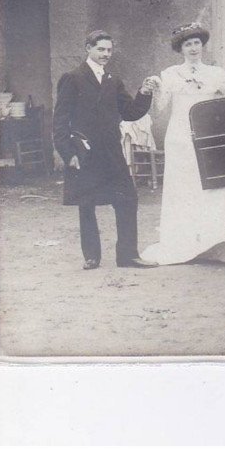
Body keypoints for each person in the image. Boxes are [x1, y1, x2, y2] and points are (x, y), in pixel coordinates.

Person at [140, 24, 225, 265]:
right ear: (180, 49)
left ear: (202, 45)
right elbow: (160, 109)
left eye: (196, 43)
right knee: (185, 190)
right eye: (188, 44)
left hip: (207, 136)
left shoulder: (215, 73)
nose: (193, 48)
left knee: (214, 186)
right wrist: (153, 88)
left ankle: (217, 243)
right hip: (180, 138)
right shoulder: (171, 74)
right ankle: (187, 242)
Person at [52, 30, 158, 270]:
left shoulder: (113, 80)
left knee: (127, 199)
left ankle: (128, 255)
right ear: (88, 48)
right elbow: (60, 121)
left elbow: (130, 112)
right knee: (86, 203)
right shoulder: (72, 77)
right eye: (101, 49)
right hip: (85, 151)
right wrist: (69, 154)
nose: (105, 54)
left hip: (111, 152)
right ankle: (91, 257)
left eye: (109, 50)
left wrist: (144, 92)